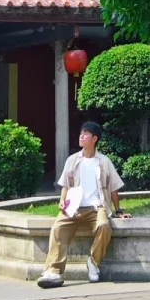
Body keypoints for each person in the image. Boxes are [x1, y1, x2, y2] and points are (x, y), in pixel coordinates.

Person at [37, 120, 127, 287]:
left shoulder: (104, 161)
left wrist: (119, 210)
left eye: (85, 134)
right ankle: (53, 271)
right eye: (81, 133)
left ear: (94, 139)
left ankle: (93, 262)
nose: (81, 136)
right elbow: (65, 186)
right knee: (57, 228)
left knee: (104, 226)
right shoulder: (72, 160)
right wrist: (62, 202)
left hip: (96, 207)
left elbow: (114, 189)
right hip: (73, 207)